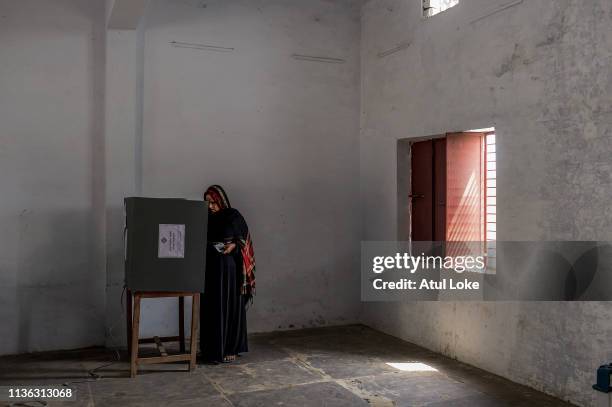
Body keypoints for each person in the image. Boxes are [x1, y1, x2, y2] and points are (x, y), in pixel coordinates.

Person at [201, 185, 255, 363]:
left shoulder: (233, 216)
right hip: (210, 269)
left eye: (213, 202)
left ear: (221, 200)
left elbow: (244, 241)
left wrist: (233, 246)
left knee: (228, 305)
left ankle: (230, 347)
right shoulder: (204, 218)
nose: (210, 206)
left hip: (229, 271)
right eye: (207, 202)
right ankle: (212, 348)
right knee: (212, 308)